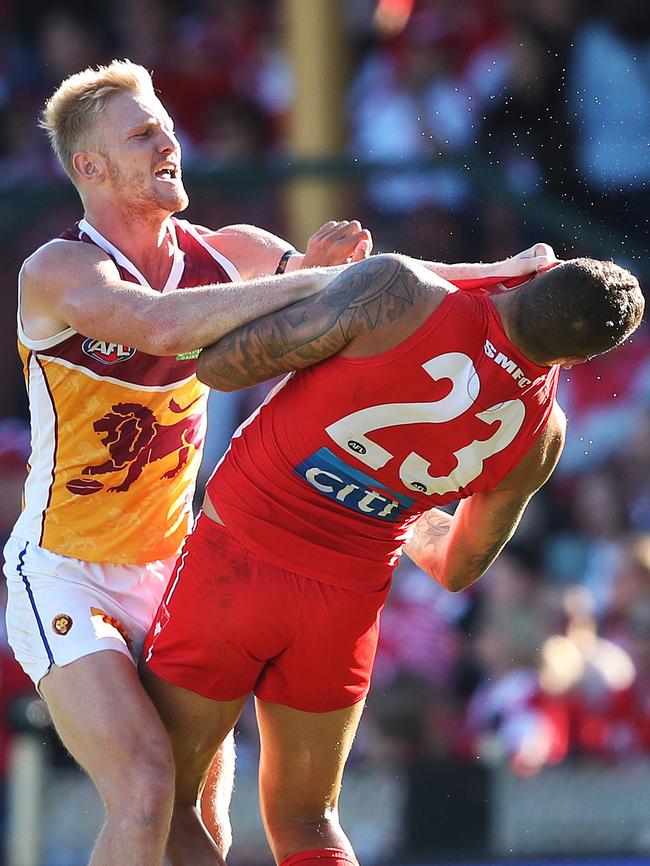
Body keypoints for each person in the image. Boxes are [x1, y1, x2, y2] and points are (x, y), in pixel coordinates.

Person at [141, 252, 644, 866]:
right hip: (344, 606)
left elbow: (220, 366)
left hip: (236, 560)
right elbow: (457, 568)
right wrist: (388, 501)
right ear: (580, 360)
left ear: (539, 273)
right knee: (310, 823)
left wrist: (447, 275)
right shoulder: (542, 435)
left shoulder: (402, 291)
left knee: (167, 796)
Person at [2, 58, 376, 866]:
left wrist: (494, 288)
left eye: (168, 127)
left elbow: (355, 301)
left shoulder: (234, 250)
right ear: (90, 168)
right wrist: (301, 284)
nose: (170, 143)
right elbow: (160, 326)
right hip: (66, 569)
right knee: (141, 789)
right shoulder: (58, 270)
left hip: (180, 571)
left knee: (198, 828)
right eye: (144, 135)